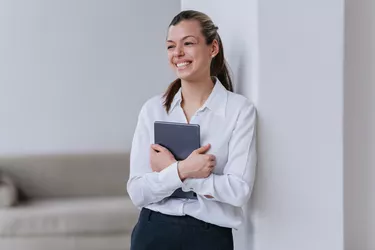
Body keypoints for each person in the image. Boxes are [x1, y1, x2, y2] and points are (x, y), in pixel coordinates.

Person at [127, 10, 257, 250]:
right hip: (153, 230)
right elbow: (137, 191)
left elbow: (239, 191)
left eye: (188, 43)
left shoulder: (239, 111)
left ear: (213, 48)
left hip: (209, 237)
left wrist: (173, 171)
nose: (177, 53)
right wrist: (184, 170)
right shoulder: (153, 110)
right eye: (170, 46)